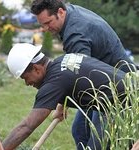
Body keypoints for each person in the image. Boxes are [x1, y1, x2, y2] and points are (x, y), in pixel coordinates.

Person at [30, 0, 136, 149]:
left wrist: (61, 107)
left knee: (99, 142)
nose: (46, 28)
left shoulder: (76, 34)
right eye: (42, 25)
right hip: (101, 82)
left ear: (60, 12)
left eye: (48, 22)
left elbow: (77, 78)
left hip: (117, 93)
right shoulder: (71, 12)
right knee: (80, 131)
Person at [2, 43, 130, 150]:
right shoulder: (63, 60)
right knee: (80, 131)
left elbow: (26, 127)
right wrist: (61, 106)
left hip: (129, 109)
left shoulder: (53, 84)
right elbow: (72, 80)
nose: (27, 83)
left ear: (36, 69)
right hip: (123, 101)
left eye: (25, 78)